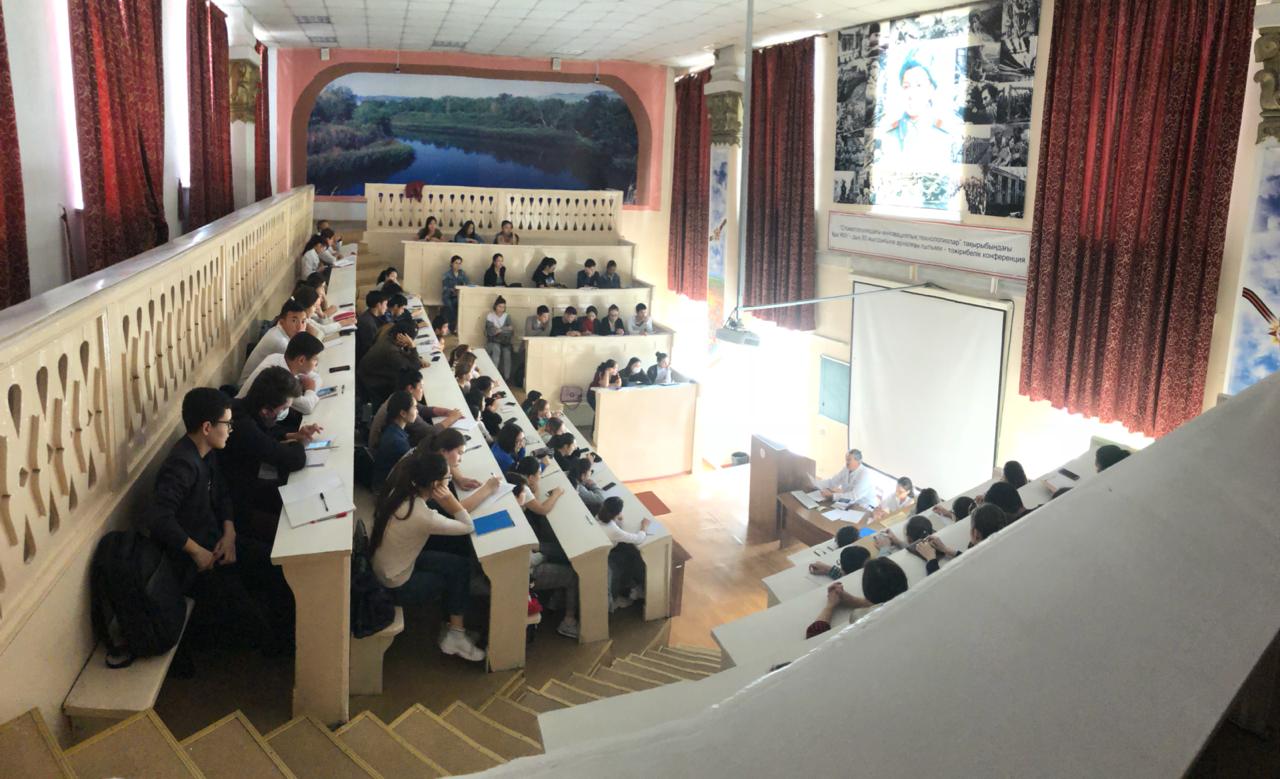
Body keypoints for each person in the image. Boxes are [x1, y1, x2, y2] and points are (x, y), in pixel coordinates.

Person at [146, 388, 283, 653]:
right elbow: (159, 518)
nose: (230, 430)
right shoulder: (182, 465)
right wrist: (198, 552)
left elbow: (221, 493)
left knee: (274, 564)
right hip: (195, 562)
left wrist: (229, 534)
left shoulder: (207, 452)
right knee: (255, 626)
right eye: (227, 424)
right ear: (207, 427)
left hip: (217, 542)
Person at [369, 453, 485, 661]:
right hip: (396, 584)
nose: (450, 482)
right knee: (454, 579)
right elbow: (467, 526)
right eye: (448, 479)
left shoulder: (401, 493)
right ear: (435, 484)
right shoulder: (422, 515)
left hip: (393, 566)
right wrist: (450, 499)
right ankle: (455, 637)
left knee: (459, 565)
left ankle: (453, 628)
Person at [220, 368, 317, 539]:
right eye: (284, 408)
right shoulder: (243, 427)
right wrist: (300, 443)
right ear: (266, 410)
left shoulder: (241, 406)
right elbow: (295, 460)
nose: (285, 412)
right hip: (237, 502)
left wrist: (293, 435)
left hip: (249, 484)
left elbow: (266, 432)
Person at [879, 55, 956, 168]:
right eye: (906, 87)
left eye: (919, 85)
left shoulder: (945, 136)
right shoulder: (889, 136)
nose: (911, 94)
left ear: (931, 90)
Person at [805, 558, 908, 638]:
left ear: (866, 590)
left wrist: (830, 606)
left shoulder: (859, 616)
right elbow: (887, 602)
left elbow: (814, 635)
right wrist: (853, 600)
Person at [369, 368, 461, 449]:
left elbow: (423, 409)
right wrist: (452, 418)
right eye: (420, 387)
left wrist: (448, 412)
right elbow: (430, 432)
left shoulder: (400, 397)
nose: (423, 390)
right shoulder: (405, 408)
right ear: (410, 388)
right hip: (381, 450)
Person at [237, 332, 324, 415]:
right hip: (244, 416)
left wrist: (310, 392)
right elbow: (307, 407)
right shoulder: (280, 379)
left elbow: (317, 378)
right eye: (315, 360)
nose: (316, 363)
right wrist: (310, 390)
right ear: (301, 360)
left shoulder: (280, 358)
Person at [240, 298, 309, 386]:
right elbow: (301, 373)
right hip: (250, 388)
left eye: (303, 321)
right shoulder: (280, 342)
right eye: (294, 321)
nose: (300, 327)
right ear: (282, 322)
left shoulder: (282, 333)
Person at [596, 496, 649, 610]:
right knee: (631, 558)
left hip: (599, 552)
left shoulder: (598, 517)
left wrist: (616, 519)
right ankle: (617, 598)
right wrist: (644, 527)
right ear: (617, 512)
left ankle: (630, 586)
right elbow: (638, 539)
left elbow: (615, 529)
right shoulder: (612, 530)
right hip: (604, 559)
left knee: (629, 552)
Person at [359, 320, 424, 404]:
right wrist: (412, 347)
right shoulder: (390, 350)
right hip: (373, 381)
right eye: (409, 340)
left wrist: (416, 357)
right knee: (407, 383)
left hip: (372, 373)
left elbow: (402, 354)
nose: (409, 342)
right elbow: (413, 368)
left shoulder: (390, 335)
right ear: (400, 336)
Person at [371, 391, 417, 491]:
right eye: (414, 407)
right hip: (385, 488)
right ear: (403, 413)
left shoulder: (392, 429)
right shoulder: (398, 442)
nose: (417, 411)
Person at [485, 296, 515, 379]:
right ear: (495, 306)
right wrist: (505, 329)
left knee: (507, 355)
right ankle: (494, 376)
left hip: (505, 341)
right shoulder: (490, 316)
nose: (501, 309)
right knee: (496, 351)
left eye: (503, 307)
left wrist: (500, 330)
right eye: (500, 306)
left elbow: (510, 332)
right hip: (493, 341)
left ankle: (507, 378)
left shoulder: (507, 316)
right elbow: (491, 331)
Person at [356, 290, 388, 364]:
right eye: (385, 304)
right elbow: (372, 349)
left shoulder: (370, 314)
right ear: (378, 305)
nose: (386, 308)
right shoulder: (368, 323)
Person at [441, 255, 470, 329]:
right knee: (450, 306)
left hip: (458, 295)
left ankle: (457, 327)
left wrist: (463, 287)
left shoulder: (462, 273)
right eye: (456, 263)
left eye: (459, 263)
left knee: (459, 304)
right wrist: (453, 291)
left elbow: (467, 283)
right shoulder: (447, 274)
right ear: (451, 263)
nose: (458, 265)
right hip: (448, 296)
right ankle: (451, 327)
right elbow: (445, 287)